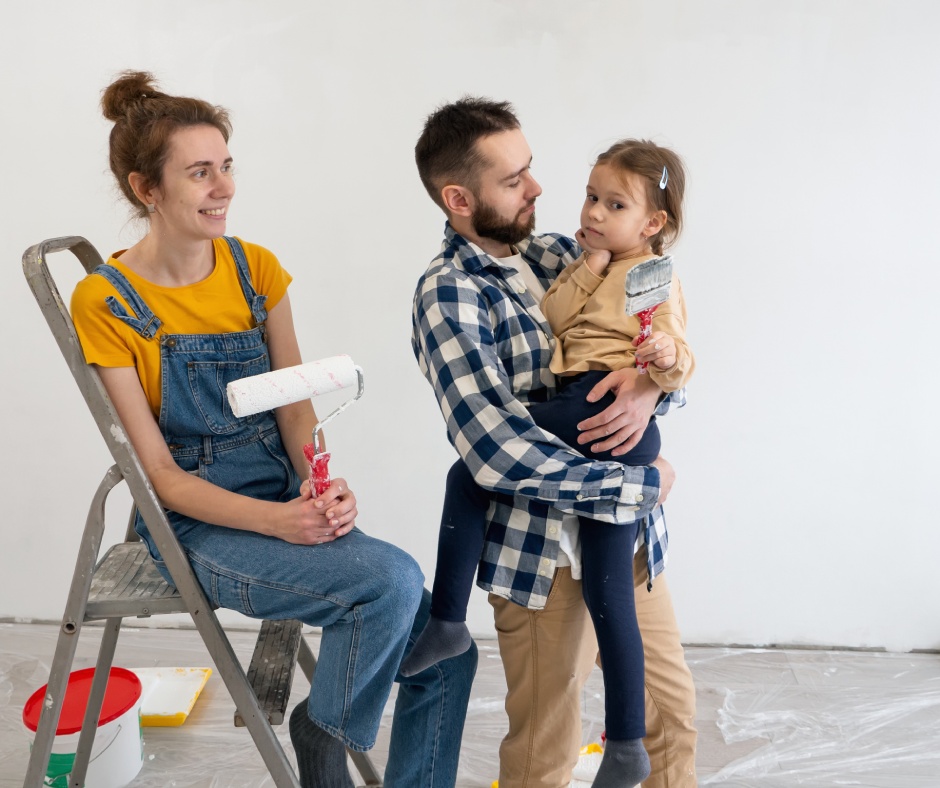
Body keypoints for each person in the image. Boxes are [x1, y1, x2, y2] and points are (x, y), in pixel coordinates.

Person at [70, 71, 476, 788]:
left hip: (285, 499)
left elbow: (295, 406)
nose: (223, 186)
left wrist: (323, 484)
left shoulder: (255, 271)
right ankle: (321, 739)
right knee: (392, 582)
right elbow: (159, 477)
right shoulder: (107, 300)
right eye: (199, 173)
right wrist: (278, 522)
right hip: (195, 527)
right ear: (147, 189)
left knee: (449, 648)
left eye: (226, 166)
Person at [410, 97, 698, 788]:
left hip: (625, 541)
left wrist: (651, 386)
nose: (539, 188)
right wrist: (644, 481)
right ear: (459, 198)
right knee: (547, 750)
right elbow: (493, 448)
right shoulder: (447, 295)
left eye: (530, 169)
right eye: (514, 180)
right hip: (538, 558)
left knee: (672, 722)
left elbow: (662, 348)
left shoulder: (568, 254)